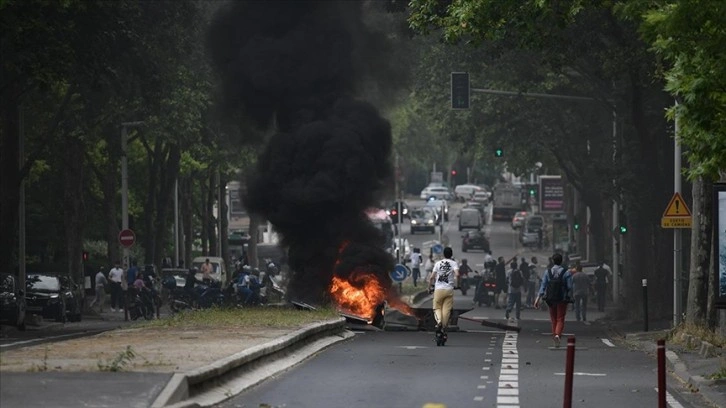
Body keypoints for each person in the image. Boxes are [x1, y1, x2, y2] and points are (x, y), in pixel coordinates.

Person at [534, 253, 573, 347]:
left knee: (553, 319)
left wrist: (538, 298)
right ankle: (557, 335)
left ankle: (554, 336)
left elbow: (543, 286)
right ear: (561, 261)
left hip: (550, 299)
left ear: (552, 261)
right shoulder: (566, 272)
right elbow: (570, 286)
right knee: (560, 318)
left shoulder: (548, 272)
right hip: (562, 299)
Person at [428, 247, 459, 339]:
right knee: (446, 310)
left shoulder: (438, 263)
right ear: (451, 254)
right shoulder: (454, 263)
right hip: (449, 289)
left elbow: (431, 277)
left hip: (438, 290)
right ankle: (444, 326)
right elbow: (457, 274)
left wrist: (429, 287)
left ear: (443, 254)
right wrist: (457, 284)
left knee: (437, 308)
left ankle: (439, 323)